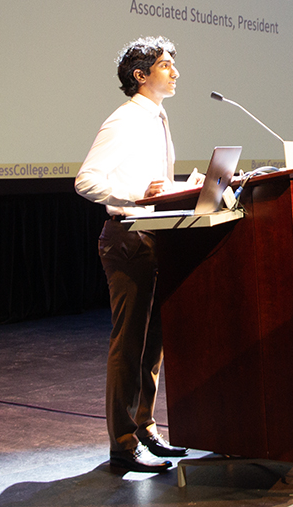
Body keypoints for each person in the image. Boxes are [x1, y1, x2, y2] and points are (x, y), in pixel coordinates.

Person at [75, 36, 203, 473]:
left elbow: (154, 182)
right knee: (129, 345)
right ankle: (123, 444)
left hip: (156, 236)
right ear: (140, 75)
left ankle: (145, 426)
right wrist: (138, 197)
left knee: (152, 345)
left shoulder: (158, 117)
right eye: (166, 65)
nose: (175, 71)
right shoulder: (125, 120)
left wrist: (178, 190)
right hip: (127, 237)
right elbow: (86, 181)